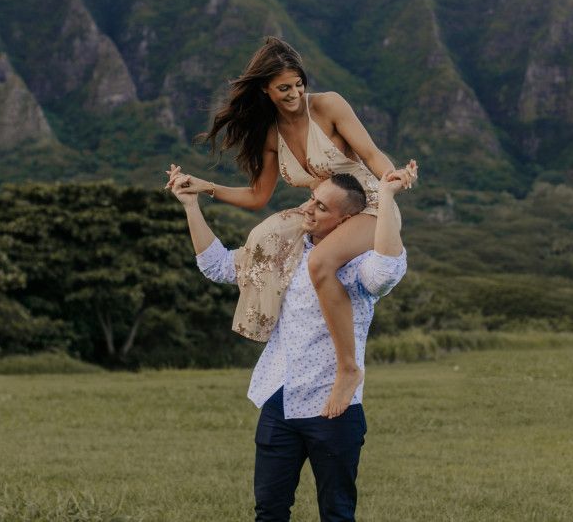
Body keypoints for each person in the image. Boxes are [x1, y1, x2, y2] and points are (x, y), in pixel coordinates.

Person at [166, 36, 406, 419]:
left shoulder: (328, 106)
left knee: (320, 263)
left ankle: (348, 368)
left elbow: (371, 153)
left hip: (370, 204)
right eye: (284, 88)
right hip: (320, 206)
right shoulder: (269, 133)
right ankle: (266, 325)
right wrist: (205, 187)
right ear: (266, 89)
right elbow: (258, 196)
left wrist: (392, 179)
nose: (294, 93)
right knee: (264, 236)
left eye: (298, 84)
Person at [169, 163, 416, 521]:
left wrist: (389, 197)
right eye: (312, 199)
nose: (308, 209)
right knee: (269, 510)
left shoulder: (355, 266)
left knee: (337, 514)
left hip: (333, 408)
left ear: (347, 221)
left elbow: (385, 272)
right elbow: (218, 265)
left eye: (322, 207)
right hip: (278, 398)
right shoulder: (285, 252)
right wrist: (191, 205)